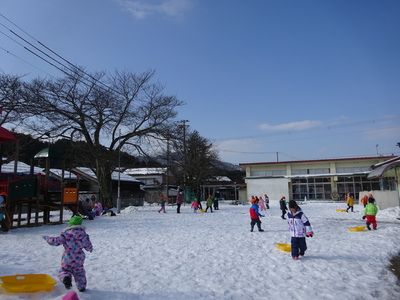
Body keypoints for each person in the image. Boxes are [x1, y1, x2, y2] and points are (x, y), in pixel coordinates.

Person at [42, 216, 93, 292]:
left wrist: (47, 238)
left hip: (68, 256)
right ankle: (81, 287)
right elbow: (87, 245)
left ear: (70, 225)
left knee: (64, 270)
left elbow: (55, 241)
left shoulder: (66, 234)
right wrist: (90, 248)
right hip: (79, 257)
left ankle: (66, 278)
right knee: (79, 272)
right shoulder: (84, 235)